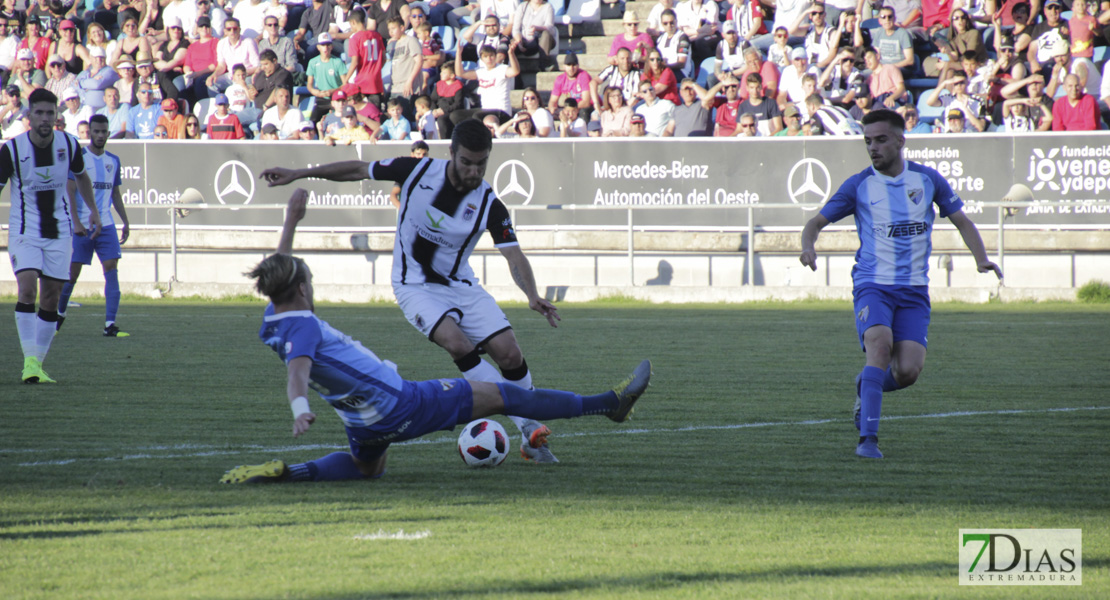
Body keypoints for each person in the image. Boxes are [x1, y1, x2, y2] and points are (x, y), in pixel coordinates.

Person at [219, 189, 652, 484]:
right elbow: (298, 372)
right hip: (400, 401)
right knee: (505, 394)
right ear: (299, 289)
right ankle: (610, 405)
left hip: (361, 419)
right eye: (308, 282)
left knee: (367, 469)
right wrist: (299, 407)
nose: (311, 287)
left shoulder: (272, 318)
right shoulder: (305, 326)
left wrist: (291, 218)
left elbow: (281, 268)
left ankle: (288, 473)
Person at [261, 118, 565, 463]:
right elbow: (358, 169)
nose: (474, 171)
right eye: (466, 161)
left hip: (462, 286)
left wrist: (532, 294)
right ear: (451, 153)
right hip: (413, 285)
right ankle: (529, 426)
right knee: (457, 343)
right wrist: (298, 173)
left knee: (509, 353)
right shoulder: (416, 171)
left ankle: (529, 437)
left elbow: (513, 253)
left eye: (481, 163)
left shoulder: (489, 204)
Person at [799, 110, 1001, 459]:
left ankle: (867, 384)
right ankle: (868, 440)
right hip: (872, 284)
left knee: (907, 371)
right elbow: (814, 222)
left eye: (880, 140)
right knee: (879, 346)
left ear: (899, 140)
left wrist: (981, 257)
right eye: (867, 141)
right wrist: (807, 246)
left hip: (913, 290)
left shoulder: (927, 180)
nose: (872, 148)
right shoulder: (859, 185)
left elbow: (963, 221)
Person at [0, 88, 100, 383]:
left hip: (59, 232)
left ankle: (36, 365)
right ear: (29, 116)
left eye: (50, 113)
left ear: (57, 115)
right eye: (39, 113)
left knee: (52, 298)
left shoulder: (69, 144)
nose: (45, 118)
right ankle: (29, 362)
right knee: (28, 289)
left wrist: (92, 210)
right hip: (24, 231)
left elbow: (81, 175)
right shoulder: (12, 149)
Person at [56, 114, 130, 337]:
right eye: (95, 131)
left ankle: (110, 325)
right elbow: (69, 189)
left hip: (106, 225)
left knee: (112, 270)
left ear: (108, 133)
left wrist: (125, 222)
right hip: (82, 226)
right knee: (71, 275)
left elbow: (115, 193)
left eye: (103, 132)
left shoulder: (113, 161)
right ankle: (58, 317)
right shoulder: (79, 158)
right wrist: (76, 222)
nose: (99, 135)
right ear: (90, 133)